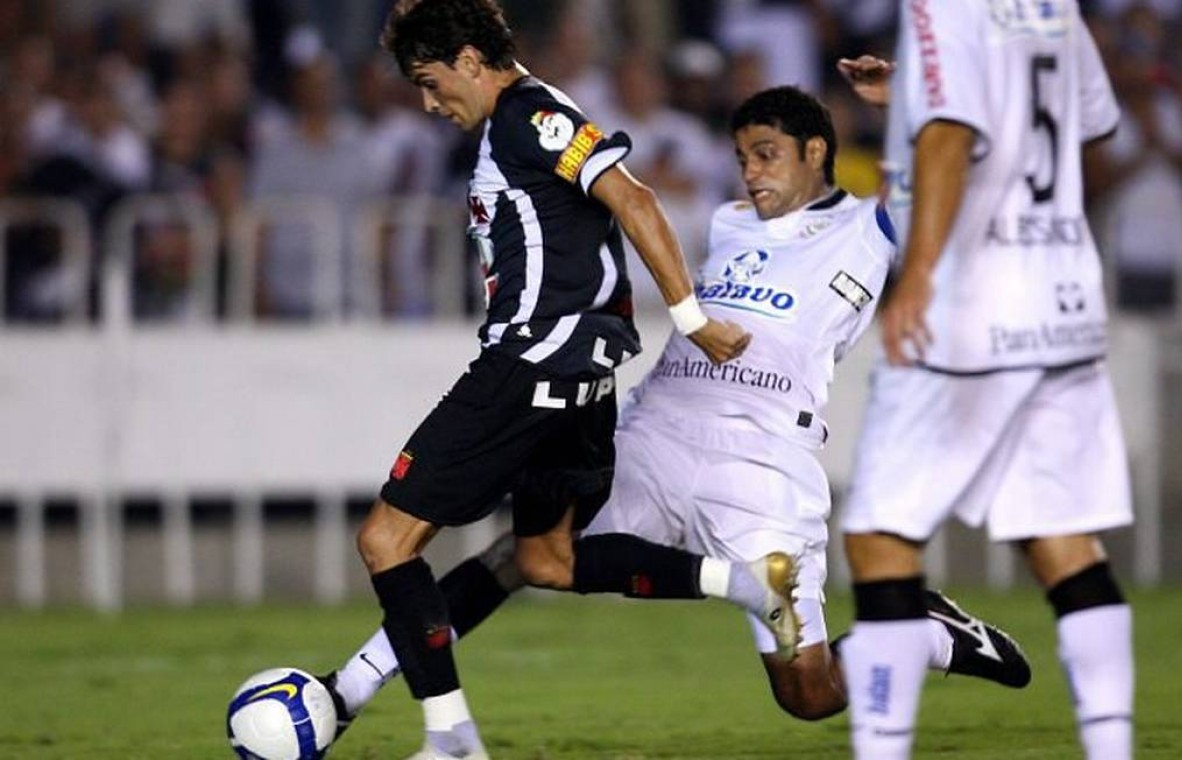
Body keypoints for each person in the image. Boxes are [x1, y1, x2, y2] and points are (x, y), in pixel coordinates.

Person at [321, 85, 1032, 752]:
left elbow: (983, 154)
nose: (750, 174)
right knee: (527, 556)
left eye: (766, 155)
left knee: (808, 695)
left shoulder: (871, 224)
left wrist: (911, 92)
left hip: (761, 459)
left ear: (816, 152)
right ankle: (349, 688)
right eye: (741, 158)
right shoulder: (726, 223)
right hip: (654, 432)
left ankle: (921, 635)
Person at [359, 2, 791, 758]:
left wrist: (688, 318)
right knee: (545, 560)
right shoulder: (531, 116)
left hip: (531, 363)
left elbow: (635, 198)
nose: (429, 103)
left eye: (429, 82)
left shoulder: (526, 115)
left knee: (386, 539)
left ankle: (449, 736)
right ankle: (748, 585)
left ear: (467, 59)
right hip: (581, 377)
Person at [834, 3, 1136, 759]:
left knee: (877, 538)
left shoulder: (940, 5)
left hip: (971, 305)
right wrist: (917, 90)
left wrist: (921, 276)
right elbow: (1090, 119)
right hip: (1061, 295)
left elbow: (948, 134)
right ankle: (1111, 747)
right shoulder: (1052, 6)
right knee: (1060, 539)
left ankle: (880, 747)